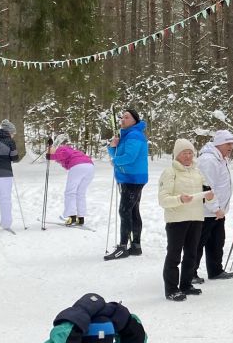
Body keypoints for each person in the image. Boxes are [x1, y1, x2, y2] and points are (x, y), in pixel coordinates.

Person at [159, 138, 215, 301]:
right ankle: (171, 289)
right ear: (177, 155)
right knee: (174, 255)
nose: (188, 156)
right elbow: (163, 199)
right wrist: (179, 199)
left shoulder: (197, 171)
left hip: (196, 218)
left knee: (192, 253)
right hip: (177, 219)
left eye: (191, 153)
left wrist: (209, 196)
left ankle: (186, 284)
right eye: (184, 153)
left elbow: (205, 193)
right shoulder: (170, 172)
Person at [105, 109, 149, 261]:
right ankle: (135, 246)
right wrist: (112, 146)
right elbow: (117, 155)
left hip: (133, 178)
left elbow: (129, 157)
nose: (122, 120)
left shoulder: (135, 135)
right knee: (132, 211)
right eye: (122, 117)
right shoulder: (126, 135)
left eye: (126, 117)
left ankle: (123, 247)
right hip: (128, 177)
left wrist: (114, 162)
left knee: (124, 210)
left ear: (135, 120)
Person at [197, 129, 233, 282]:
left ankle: (215, 270)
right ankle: (191, 273)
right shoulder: (208, 160)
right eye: (228, 143)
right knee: (198, 243)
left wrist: (219, 209)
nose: (231, 147)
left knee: (217, 242)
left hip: (217, 211)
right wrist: (215, 208)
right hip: (206, 211)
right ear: (219, 143)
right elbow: (207, 187)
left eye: (232, 144)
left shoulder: (220, 158)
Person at [47, 136, 95, 227]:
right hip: (90, 167)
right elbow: (64, 161)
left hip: (78, 166)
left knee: (70, 192)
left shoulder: (62, 148)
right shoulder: (74, 151)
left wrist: (50, 156)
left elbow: (59, 155)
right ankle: (81, 218)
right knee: (80, 193)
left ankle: (71, 216)